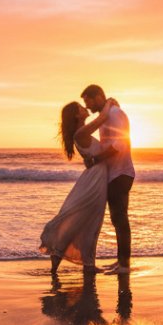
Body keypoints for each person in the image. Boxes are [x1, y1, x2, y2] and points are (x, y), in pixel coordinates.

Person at [38, 101, 120, 273]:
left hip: (95, 177)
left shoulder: (81, 132)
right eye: (81, 108)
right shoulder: (81, 132)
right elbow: (103, 117)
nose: (85, 108)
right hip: (94, 180)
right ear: (77, 115)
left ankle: (85, 264)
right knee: (85, 220)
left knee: (89, 221)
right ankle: (84, 264)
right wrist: (110, 102)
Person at [76, 84, 134, 274]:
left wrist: (95, 159)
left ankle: (124, 265)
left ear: (99, 96)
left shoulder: (115, 114)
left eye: (89, 101)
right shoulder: (108, 114)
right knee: (117, 219)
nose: (89, 107)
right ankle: (121, 262)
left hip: (120, 173)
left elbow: (120, 144)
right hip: (114, 174)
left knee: (120, 219)